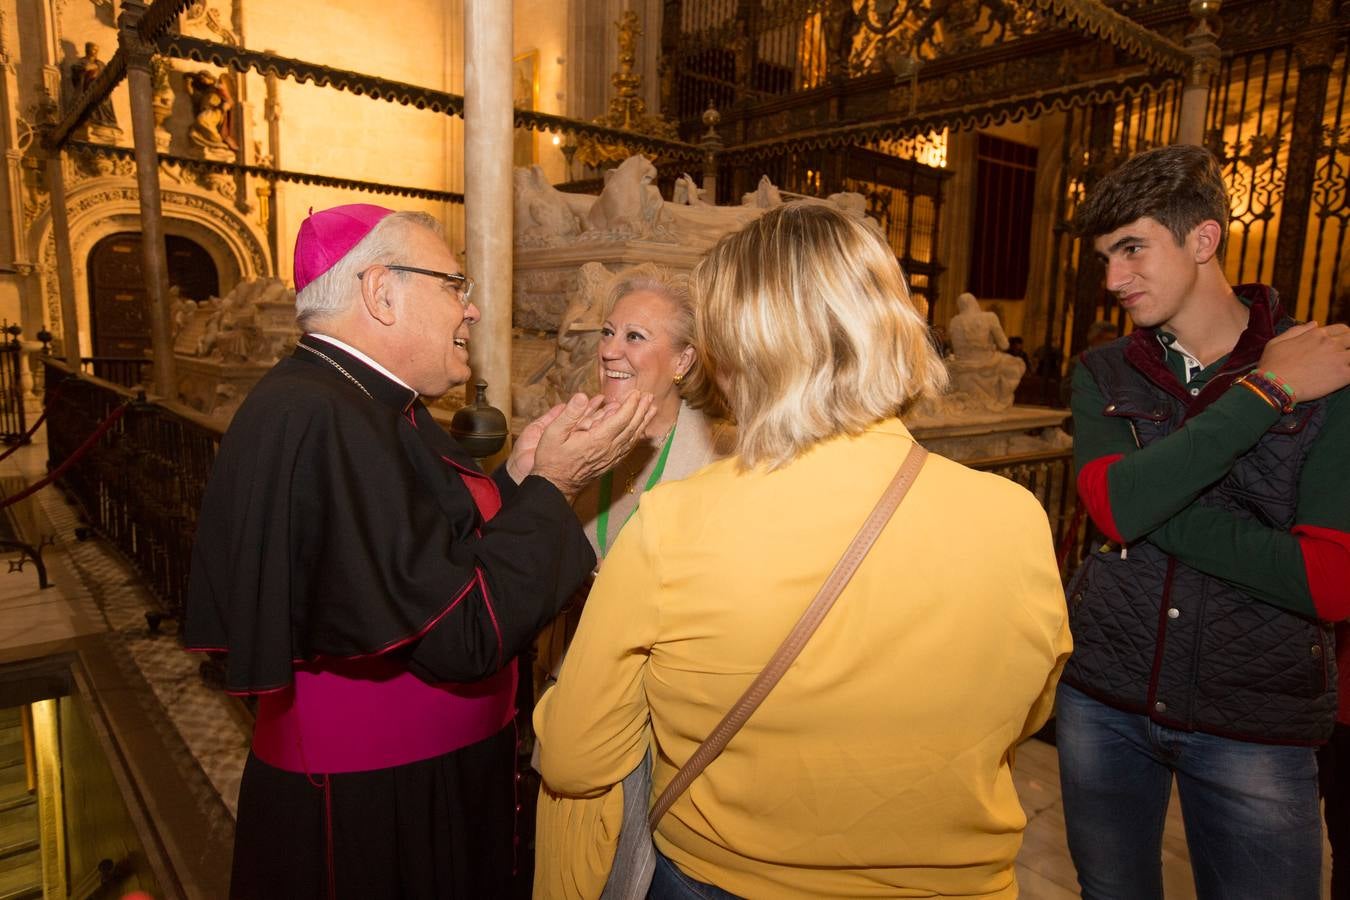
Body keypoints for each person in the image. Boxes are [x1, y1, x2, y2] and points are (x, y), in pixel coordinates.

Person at [533, 202, 1072, 898]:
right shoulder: (1015, 517)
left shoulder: (674, 523)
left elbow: (576, 759)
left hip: (725, 879)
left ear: (736, 358)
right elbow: (1026, 707)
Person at [184, 203, 654, 899]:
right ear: (381, 292)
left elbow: (422, 556)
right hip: (376, 807)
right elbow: (460, 631)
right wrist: (559, 483)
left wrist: (521, 481)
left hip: (413, 779)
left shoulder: (350, 402)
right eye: (453, 286)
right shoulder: (322, 415)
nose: (470, 311)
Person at [1060, 144, 1350, 899]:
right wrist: (1266, 393)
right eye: (1104, 257)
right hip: (1103, 697)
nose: (1113, 279)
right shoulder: (1103, 373)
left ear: (1202, 239)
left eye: (1131, 249)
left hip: (1256, 717)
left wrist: (1140, 504)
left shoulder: (1326, 370)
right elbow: (1112, 507)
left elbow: (1327, 582)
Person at [536, 264, 732, 684]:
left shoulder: (724, 456)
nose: (609, 351)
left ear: (683, 360)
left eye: (634, 337)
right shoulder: (570, 435)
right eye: (607, 332)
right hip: (569, 675)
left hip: (662, 689)